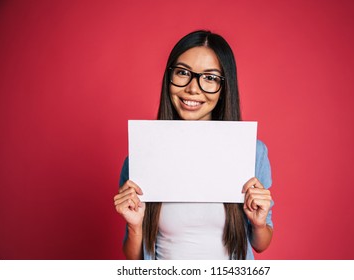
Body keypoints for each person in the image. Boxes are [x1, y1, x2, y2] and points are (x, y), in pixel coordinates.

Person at [113, 30, 273, 260]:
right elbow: (134, 259)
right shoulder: (142, 157)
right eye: (182, 73)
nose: (193, 88)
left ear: (224, 86)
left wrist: (258, 224)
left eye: (209, 78)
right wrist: (135, 226)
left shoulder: (252, 152)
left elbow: (261, 244)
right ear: (169, 77)